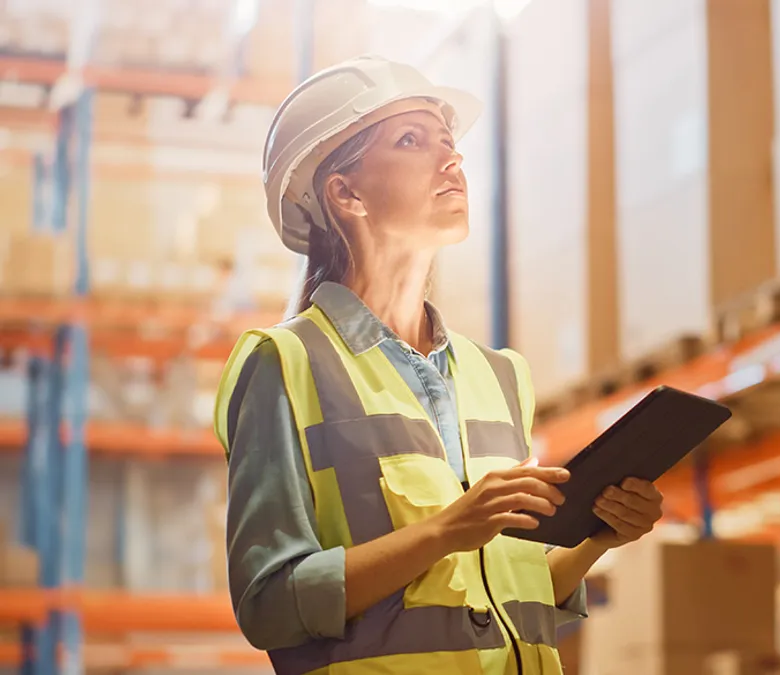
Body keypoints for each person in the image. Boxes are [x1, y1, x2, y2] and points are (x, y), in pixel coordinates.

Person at [212, 55, 665, 675]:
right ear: (346, 194)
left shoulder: (500, 376)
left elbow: (508, 591)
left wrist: (598, 539)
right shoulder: (286, 365)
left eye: (449, 142)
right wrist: (446, 529)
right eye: (411, 140)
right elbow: (269, 606)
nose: (451, 159)